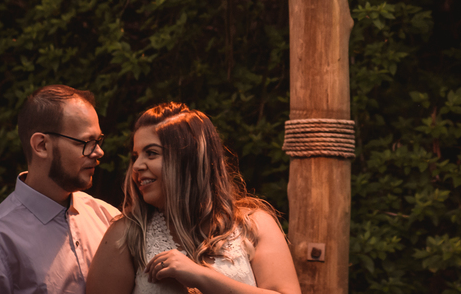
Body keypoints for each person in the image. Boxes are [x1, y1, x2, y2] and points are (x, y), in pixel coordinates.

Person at [86, 103, 300, 294]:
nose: (137, 166)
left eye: (151, 153)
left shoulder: (254, 225)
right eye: (135, 156)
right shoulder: (127, 235)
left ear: (188, 159)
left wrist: (200, 276)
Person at [0, 85, 120, 294]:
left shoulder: (108, 218)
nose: (99, 152)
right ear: (41, 145)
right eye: (86, 142)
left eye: (98, 140)